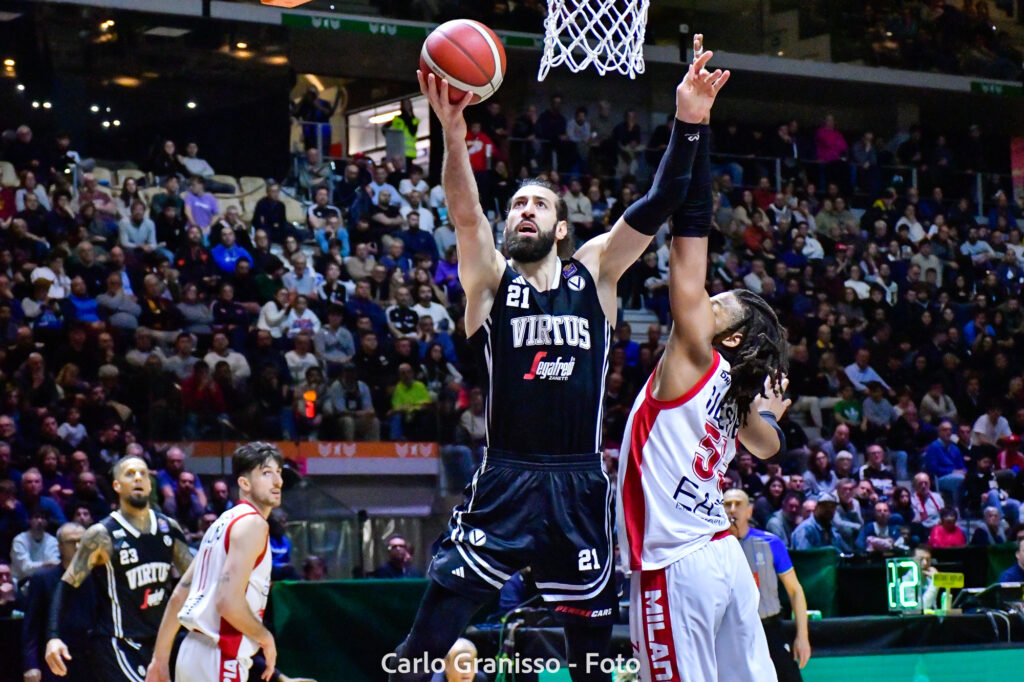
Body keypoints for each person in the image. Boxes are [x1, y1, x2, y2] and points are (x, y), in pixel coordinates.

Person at [389, 38, 729, 682]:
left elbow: (660, 202)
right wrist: (453, 133)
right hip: (506, 478)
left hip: (579, 483)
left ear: (561, 227)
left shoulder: (595, 271)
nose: (525, 211)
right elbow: (465, 213)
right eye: (517, 204)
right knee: (423, 645)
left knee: (590, 665)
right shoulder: (490, 279)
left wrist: (689, 119)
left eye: (538, 204)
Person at [617, 36, 785, 680]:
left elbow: (690, 234)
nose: (704, 301)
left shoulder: (695, 354)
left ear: (730, 339)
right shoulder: (735, 393)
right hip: (725, 561)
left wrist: (695, 124)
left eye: (719, 306)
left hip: (678, 563)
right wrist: (768, 416)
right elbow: (768, 447)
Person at [146, 442, 287, 682]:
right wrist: (265, 637)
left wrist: (159, 660)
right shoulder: (253, 524)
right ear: (244, 484)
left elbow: (180, 595)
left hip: (192, 652)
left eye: (279, 472)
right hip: (221, 655)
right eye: (266, 473)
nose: (278, 481)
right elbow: (227, 602)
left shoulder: (221, 523)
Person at [44, 455, 192, 681]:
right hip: (118, 643)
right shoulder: (101, 534)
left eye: (143, 474)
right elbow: (66, 585)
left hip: (160, 642)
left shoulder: (168, 528)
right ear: (116, 485)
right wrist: (53, 636)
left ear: (150, 484)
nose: (138, 478)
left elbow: (196, 579)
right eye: (130, 474)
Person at [725, 489, 810, 682]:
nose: (732, 509)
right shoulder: (712, 547)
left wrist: (803, 636)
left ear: (749, 511)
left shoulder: (770, 542)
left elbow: (795, 591)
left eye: (738, 504)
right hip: (731, 632)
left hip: (769, 627)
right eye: (727, 504)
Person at [22, 522, 91, 682]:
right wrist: (30, 664)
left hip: (92, 661)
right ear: (60, 546)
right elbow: (31, 627)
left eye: (83, 541)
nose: (78, 546)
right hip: (55, 659)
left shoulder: (99, 577)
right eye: (72, 542)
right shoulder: (43, 578)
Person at [11, 508, 60, 581]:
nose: (40, 521)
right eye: (36, 517)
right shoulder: (19, 540)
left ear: (47, 522)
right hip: (21, 581)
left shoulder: (53, 541)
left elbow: (54, 566)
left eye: (43, 518)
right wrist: (45, 564)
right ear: (29, 521)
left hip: (44, 581)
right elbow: (25, 568)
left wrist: (48, 565)